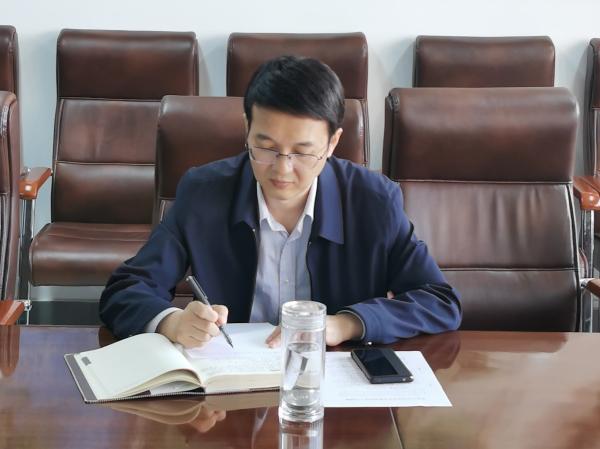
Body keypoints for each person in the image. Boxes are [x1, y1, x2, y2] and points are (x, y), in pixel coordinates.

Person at [99, 55, 461, 347]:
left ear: (332, 143)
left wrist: (344, 324)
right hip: (230, 381)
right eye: (267, 148)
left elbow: (438, 300)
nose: (282, 169)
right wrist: (172, 322)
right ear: (247, 129)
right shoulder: (204, 192)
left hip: (330, 380)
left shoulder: (373, 200)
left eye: (302, 152)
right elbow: (127, 289)